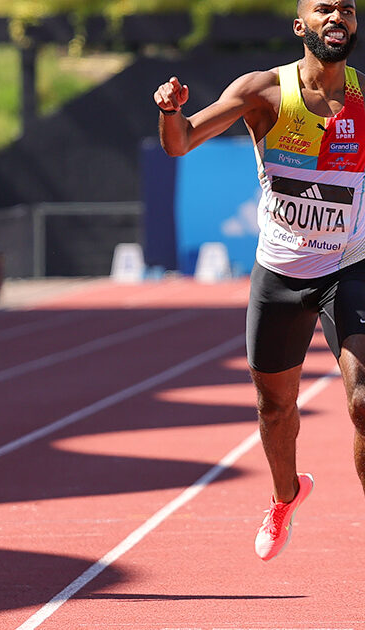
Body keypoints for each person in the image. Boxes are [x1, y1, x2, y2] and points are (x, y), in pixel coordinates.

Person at [154, 0, 364, 562]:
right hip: (280, 272)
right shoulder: (263, 92)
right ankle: (284, 495)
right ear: (301, 26)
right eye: (324, 8)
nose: (337, 15)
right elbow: (179, 141)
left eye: (346, 7)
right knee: (275, 409)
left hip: (350, 266)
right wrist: (172, 110)